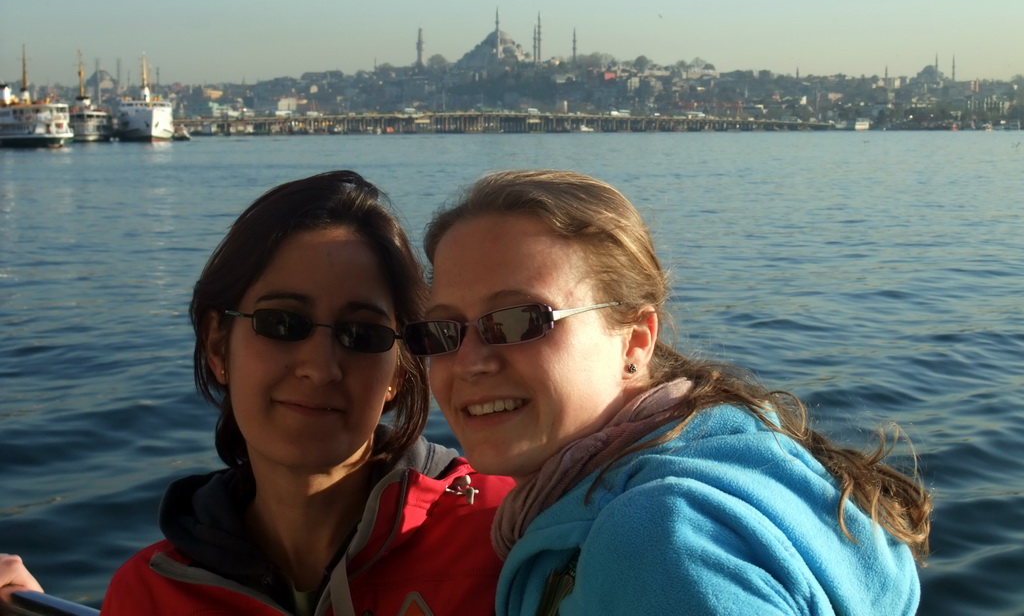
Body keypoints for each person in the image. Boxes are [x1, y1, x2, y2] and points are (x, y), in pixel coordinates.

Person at [403, 169, 932, 615]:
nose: (470, 361)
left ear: (636, 338)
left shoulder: (655, 541)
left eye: (521, 321)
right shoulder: (744, 455)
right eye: (443, 332)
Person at [90, 171, 512, 615]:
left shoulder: (508, 536)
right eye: (282, 324)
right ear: (218, 346)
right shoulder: (149, 597)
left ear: (400, 373)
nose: (319, 368)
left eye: (362, 334)